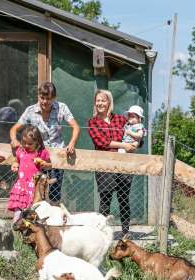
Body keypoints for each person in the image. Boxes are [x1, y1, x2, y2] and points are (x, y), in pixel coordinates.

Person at [9, 82, 80, 202]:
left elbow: (76, 127)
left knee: (54, 193)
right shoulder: (30, 110)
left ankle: (53, 209)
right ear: (38, 96)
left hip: (56, 156)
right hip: (37, 157)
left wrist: (72, 143)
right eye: (42, 98)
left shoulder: (61, 108)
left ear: (54, 98)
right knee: (36, 191)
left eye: (48, 99)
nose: (45, 101)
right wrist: (14, 140)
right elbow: (14, 129)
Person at [87, 89, 137, 237]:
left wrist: (135, 142)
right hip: (105, 165)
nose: (100, 103)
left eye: (103, 100)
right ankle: (102, 233)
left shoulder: (121, 120)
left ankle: (125, 232)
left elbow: (134, 133)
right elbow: (102, 142)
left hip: (123, 165)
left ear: (109, 102)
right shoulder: (93, 122)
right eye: (97, 100)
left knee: (123, 198)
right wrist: (123, 145)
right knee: (105, 199)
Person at [7, 126, 51, 223]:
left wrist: (44, 164)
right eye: (24, 142)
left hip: (33, 186)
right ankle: (16, 224)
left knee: (32, 210)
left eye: (30, 144)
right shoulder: (21, 151)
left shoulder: (41, 153)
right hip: (21, 185)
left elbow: (49, 165)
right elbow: (17, 161)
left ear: (37, 142)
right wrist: (15, 165)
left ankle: (30, 228)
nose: (26, 145)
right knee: (18, 209)